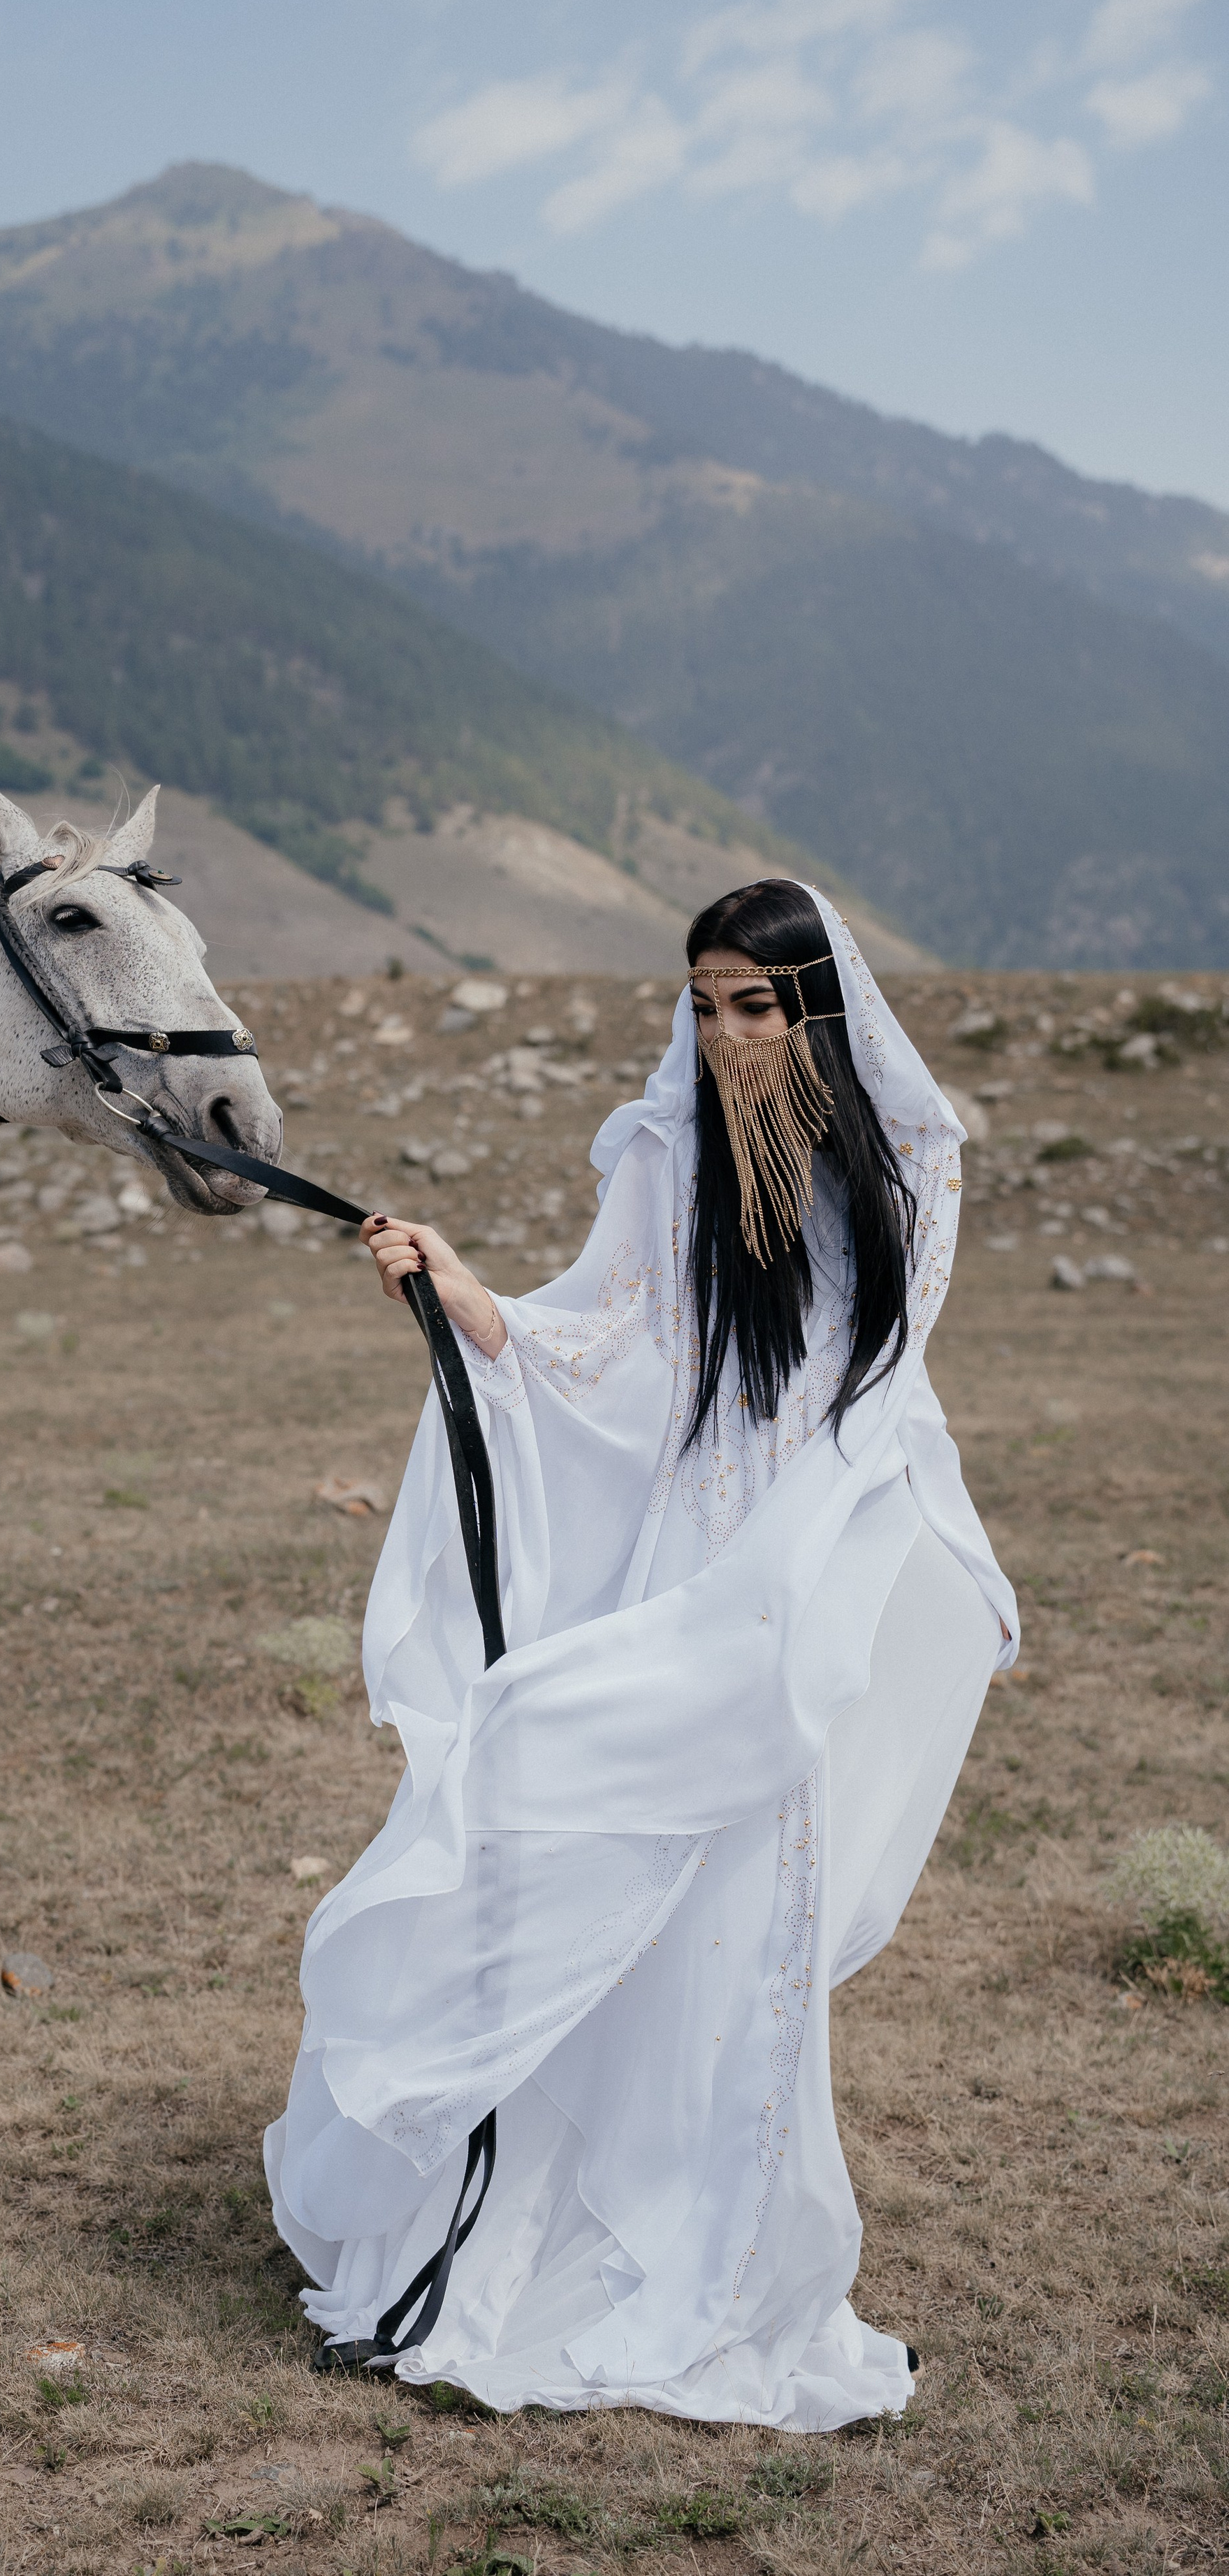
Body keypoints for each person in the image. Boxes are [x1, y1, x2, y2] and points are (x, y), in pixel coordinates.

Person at [263, 878, 1016, 2431]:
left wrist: (789, 1587)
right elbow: (606, 1344)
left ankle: (721, 2255)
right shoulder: (666, 1151)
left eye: (757, 1005)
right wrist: (464, 1289)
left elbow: (871, 1395)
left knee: (742, 1919)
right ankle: (506, 2206)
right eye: (703, 1003)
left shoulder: (910, 1165)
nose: (728, 1035)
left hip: (798, 1571)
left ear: (812, 1006)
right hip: (680, 1555)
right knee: (545, 1800)